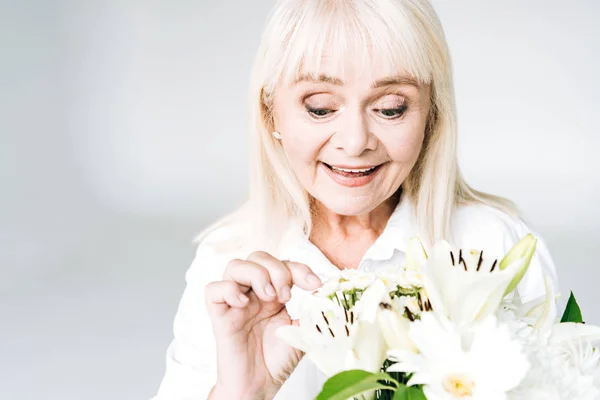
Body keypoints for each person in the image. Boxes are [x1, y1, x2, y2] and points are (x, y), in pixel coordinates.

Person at [152, 0, 558, 399]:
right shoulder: (227, 268)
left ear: (431, 115)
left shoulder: (493, 247)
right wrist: (241, 393)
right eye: (321, 108)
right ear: (271, 113)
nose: (355, 141)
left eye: (390, 108)